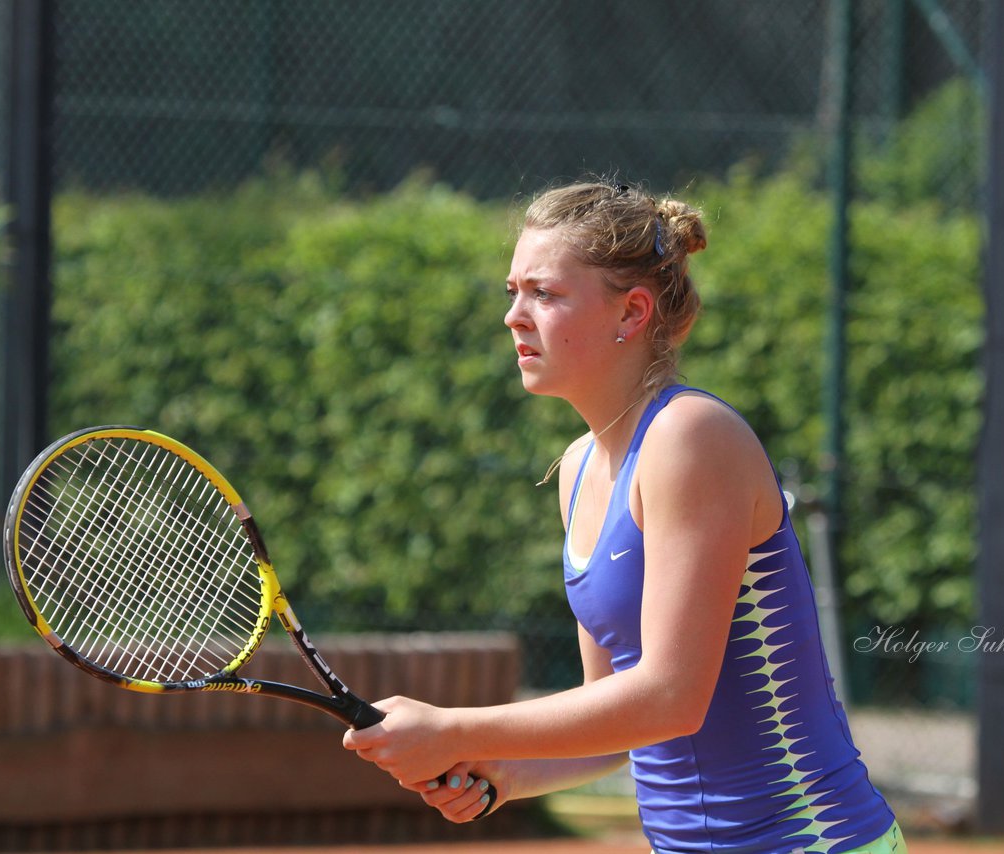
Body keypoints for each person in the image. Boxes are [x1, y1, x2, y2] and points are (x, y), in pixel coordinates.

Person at [343, 180, 906, 854]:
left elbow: (670, 697)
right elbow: (616, 723)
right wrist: (506, 776)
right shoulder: (578, 470)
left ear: (632, 312)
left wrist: (455, 730)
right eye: (512, 292)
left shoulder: (692, 436)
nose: (514, 317)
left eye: (544, 293)